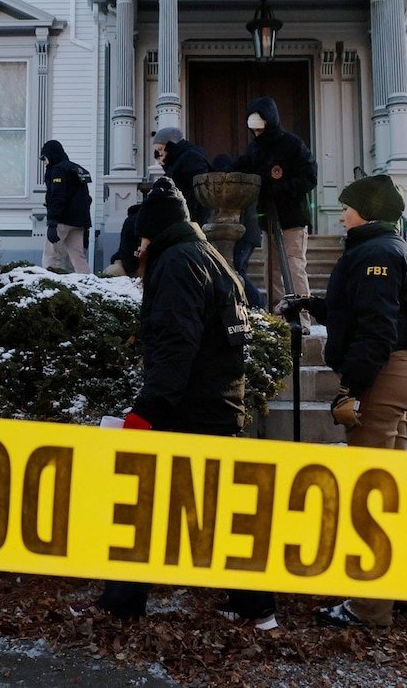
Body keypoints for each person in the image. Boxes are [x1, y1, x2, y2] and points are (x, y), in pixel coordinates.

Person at [90, 177, 278, 630]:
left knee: (143, 505)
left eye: (141, 241)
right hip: (217, 404)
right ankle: (254, 605)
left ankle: (123, 603)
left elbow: (175, 345)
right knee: (217, 511)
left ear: (152, 235)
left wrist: (147, 411)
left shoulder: (176, 263)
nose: (138, 250)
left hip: (187, 408)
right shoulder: (210, 257)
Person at [275, 175, 407, 629]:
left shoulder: (377, 253)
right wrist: (311, 304)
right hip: (397, 371)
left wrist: (354, 389)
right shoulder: (384, 247)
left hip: (383, 377)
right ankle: (405, 590)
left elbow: (377, 328)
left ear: (368, 211)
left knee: (370, 495)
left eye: (347, 207)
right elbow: (359, 309)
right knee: (391, 489)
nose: (340, 215)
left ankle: (368, 608)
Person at [231, 97, 316, 307]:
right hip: (267, 219)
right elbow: (244, 166)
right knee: (271, 270)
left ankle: (302, 315)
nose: (257, 134)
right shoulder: (255, 148)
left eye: (260, 129)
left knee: (294, 267)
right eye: (254, 130)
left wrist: (280, 190)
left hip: (292, 218)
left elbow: (309, 176)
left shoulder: (292, 144)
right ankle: (277, 314)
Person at [213, 153, 263, 309]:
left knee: (237, 270)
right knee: (238, 269)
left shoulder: (236, 187)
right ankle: (249, 303)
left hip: (245, 235)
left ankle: (257, 302)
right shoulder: (242, 184)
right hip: (249, 235)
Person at [41, 139, 93, 274]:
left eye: (44, 158)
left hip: (62, 220)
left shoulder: (58, 170)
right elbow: (87, 198)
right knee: (77, 257)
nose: (43, 162)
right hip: (79, 222)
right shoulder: (76, 169)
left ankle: (49, 282)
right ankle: (85, 282)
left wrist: (52, 221)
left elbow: (57, 196)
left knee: (52, 256)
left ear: (51, 155)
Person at [151, 126, 212, 224]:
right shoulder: (177, 161)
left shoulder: (191, 157)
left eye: (161, 149)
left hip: (193, 217)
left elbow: (196, 192)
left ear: (171, 145)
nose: (160, 154)